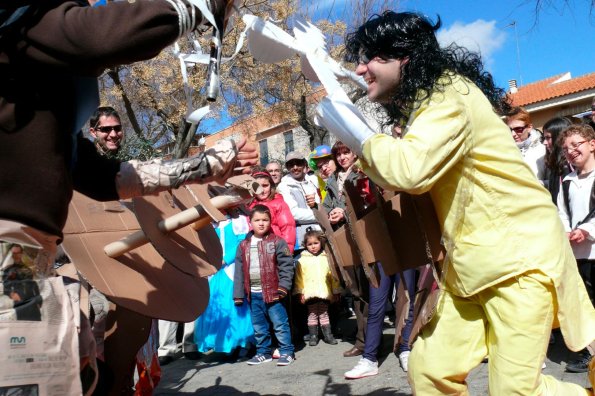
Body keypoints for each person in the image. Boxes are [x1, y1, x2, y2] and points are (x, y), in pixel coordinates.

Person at [316, 11, 595, 394]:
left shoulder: (448, 95)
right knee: (431, 371)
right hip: (470, 269)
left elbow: (408, 170)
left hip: (518, 263)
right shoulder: (429, 101)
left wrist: (355, 132)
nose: (362, 67)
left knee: (516, 391)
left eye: (373, 57)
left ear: (406, 58)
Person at [322, 141, 369, 359]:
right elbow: (328, 205)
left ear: (353, 153)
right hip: (342, 239)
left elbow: (367, 203)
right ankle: (362, 341)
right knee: (355, 290)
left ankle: (369, 340)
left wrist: (345, 212)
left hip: (363, 238)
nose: (342, 157)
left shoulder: (361, 173)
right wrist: (331, 213)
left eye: (345, 152)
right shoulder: (332, 179)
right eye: (338, 154)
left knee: (368, 291)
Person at [233, 205, 295, 366]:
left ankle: (287, 351)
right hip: (253, 294)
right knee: (259, 326)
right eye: (257, 220)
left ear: (270, 221)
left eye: (265, 220)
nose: (261, 223)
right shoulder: (243, 245)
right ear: (250, 222)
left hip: (274, 292)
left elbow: (287, 266)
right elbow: (239, 271)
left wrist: (283, 287)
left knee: (280, 324)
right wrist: (238, 294)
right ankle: (263, 352)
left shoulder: (277, 242)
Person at [557, 124, 595, 374]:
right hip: (577, 256)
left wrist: (588, 230)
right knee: (584, 305)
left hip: (593, 250)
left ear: (592, 144)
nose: (571, 151)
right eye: (566, 148)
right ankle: (588, 354)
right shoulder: (568, 181)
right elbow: (561, 211)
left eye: (576, 144)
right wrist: (567, 230)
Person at [194, 206, 254, 356]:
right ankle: (223, 344)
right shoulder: (208, 224)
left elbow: (242, 242)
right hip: (214, 271)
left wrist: (225, 259)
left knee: (234, 304)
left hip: (232, 268)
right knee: (216, 305)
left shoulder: (237, 221)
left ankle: (240, 343)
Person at [293, 229, 342, 346]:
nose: (313, 246)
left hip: (324, 292)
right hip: (309, 293)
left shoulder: (326, 258)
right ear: (305, 245)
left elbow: (332, 276)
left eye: (316, 243)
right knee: (312, 314)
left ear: (321, 242)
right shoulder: (302, 260)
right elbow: (299, 278)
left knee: (324, 314)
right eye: (309, 244)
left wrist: (336, 291)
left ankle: (328, 335)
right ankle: (313, 336)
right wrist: (300, 293)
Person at [277, 152, 321, 252]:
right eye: (291, 165)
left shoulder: (313, 181)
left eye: (298, 163)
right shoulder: (284, 186)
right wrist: (320, 215)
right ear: (287, 168)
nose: (295, 167)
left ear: (304, 164)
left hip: (320, 236)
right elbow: (294, 213)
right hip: (301, 240)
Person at [248, 168, 296, 253]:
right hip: (255, 251)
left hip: (275, 250)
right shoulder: (249, 206)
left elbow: (288, 228)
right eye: (257, 186)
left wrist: (286, 254)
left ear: (271, 186)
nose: (262, 190)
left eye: (265, 185)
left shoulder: (279, 204)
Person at [505, 107, 547, 185]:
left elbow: (555, 183)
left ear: (529, 127)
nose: (513, 134)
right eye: (510, 130)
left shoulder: (544, 151)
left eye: (518, 129)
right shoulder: (505, 153)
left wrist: (534, 184)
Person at [543, 117, 572, 203]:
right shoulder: (556, 165)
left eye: (548, 138)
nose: (544, 142)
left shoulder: (570, 167)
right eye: (544, 138)